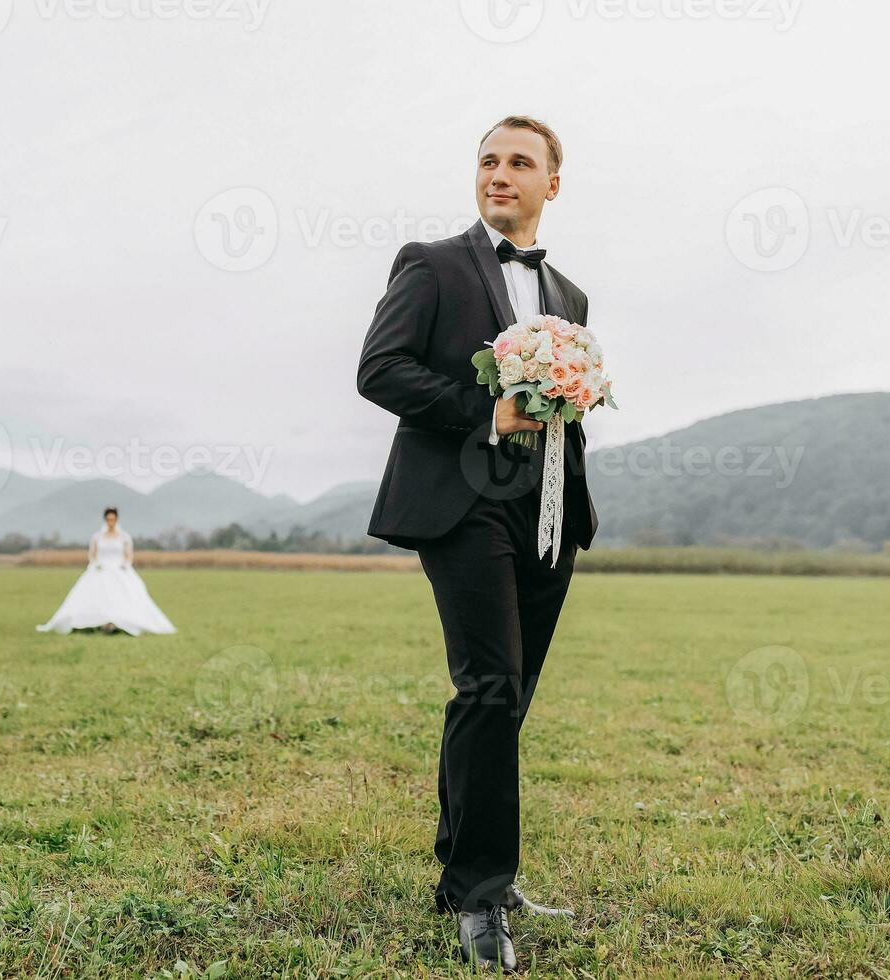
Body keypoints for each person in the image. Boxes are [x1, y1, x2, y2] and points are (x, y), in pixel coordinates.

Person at [355, 115, 598, 971]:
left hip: (548, 508)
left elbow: (563, 403)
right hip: (460, 503)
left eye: (520, 162)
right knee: (489, 683)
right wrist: (481, 407)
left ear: (551, 184)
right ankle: (482, 895)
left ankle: (466, 868)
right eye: (488, 160)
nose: (500, 173)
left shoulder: (567, 296)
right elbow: (379, 369)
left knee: (510, 695)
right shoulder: (432, 263)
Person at [35, 507, 177, 636]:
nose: (111, 522)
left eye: (113, 519)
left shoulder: (124, 537)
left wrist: (125, 565)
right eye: (108, 519)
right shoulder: (97, 537)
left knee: (124, 595)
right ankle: (92, 622)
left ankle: (117, 623)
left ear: (116, 519)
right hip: (101, 569)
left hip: (119, 569)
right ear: (105, 520)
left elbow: (128, 555)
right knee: (93, 594)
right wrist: (95, 564)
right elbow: (92, 554)